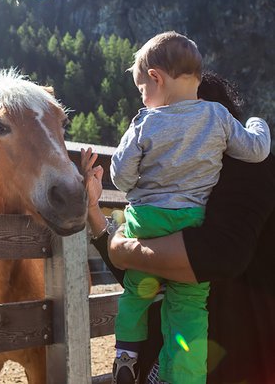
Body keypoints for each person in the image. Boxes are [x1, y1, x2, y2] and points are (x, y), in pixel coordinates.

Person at [81, 70, 275, 384]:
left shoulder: (251, 168)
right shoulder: (175, 182)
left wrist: (124, 249)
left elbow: (219, 255)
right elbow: (143, 274)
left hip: (240, 364)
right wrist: (94, 212)